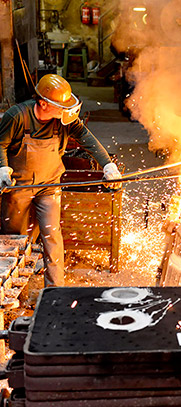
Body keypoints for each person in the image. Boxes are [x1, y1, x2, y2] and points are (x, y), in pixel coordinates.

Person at [0, 74, 122, 287]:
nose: (66, 111)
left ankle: (54, 289)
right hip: (19, 187)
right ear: (43, 104)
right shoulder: (17, 116)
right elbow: (0, 144)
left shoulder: (64, 121)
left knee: (52, 236)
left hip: (49, 186)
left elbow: (87, 139)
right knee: (16, 239)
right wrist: (2, 168)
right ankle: (18, 290)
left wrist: (107, 165)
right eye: (60, 106)